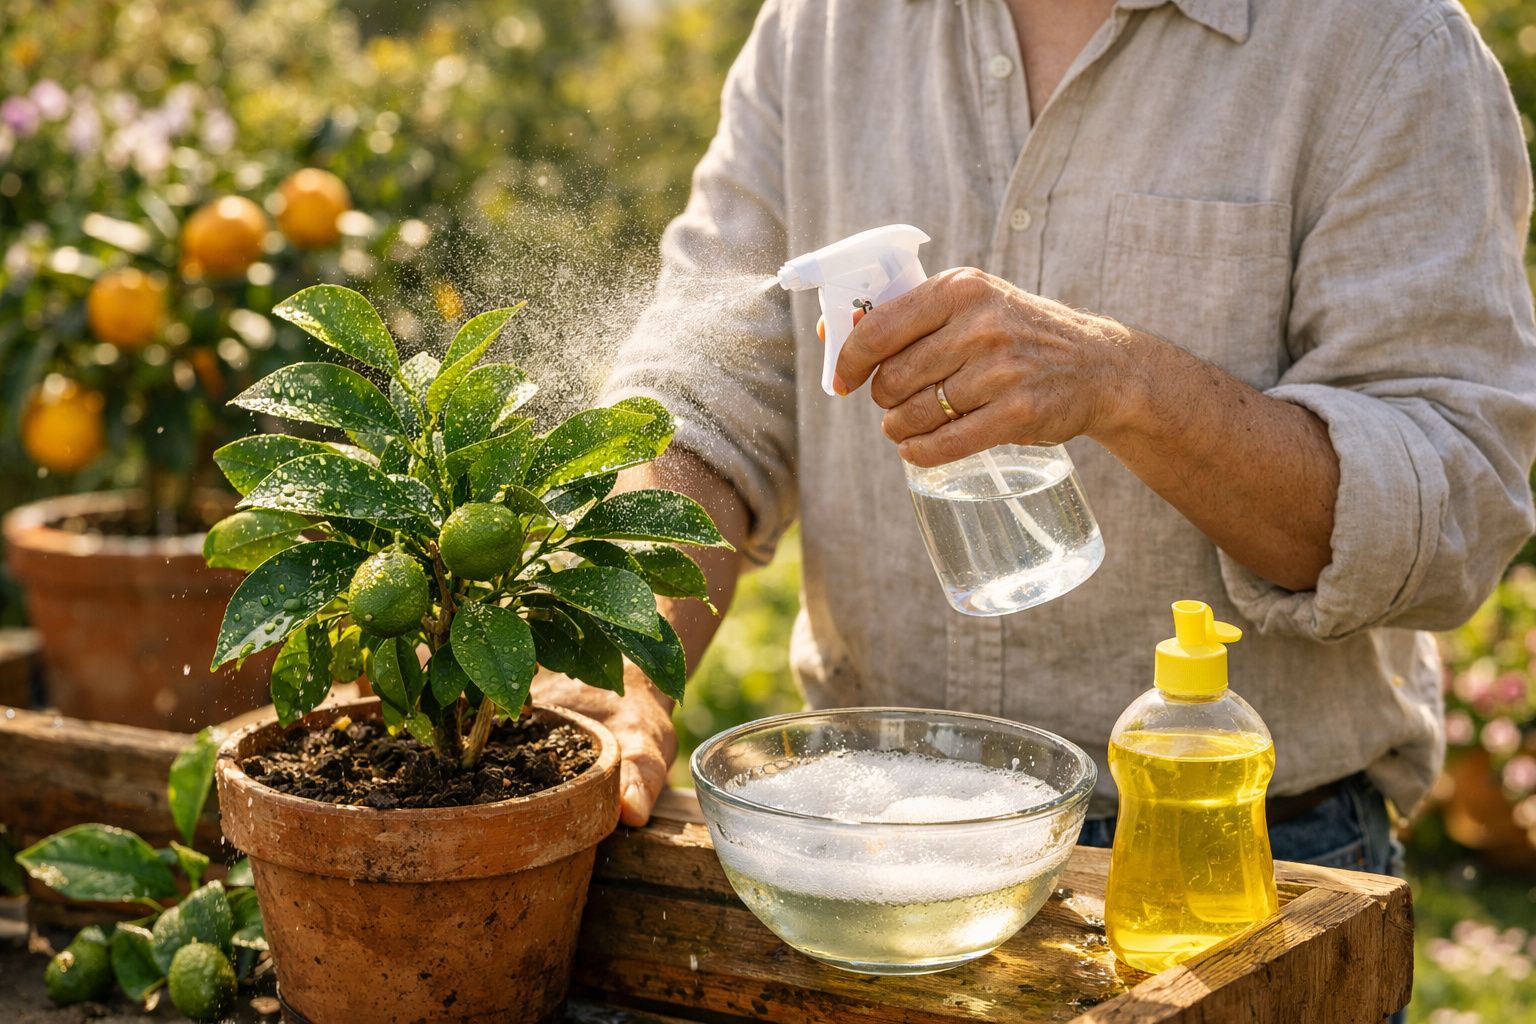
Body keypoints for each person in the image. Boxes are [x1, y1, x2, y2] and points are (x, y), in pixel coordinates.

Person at [534, 0, 1536, 885]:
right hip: (877, 828)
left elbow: (1451, 508)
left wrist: (1126, 382)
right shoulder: (820, 26)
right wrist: (618, 668)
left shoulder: (1386, 42)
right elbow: (705, 403)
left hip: (1230, 854)